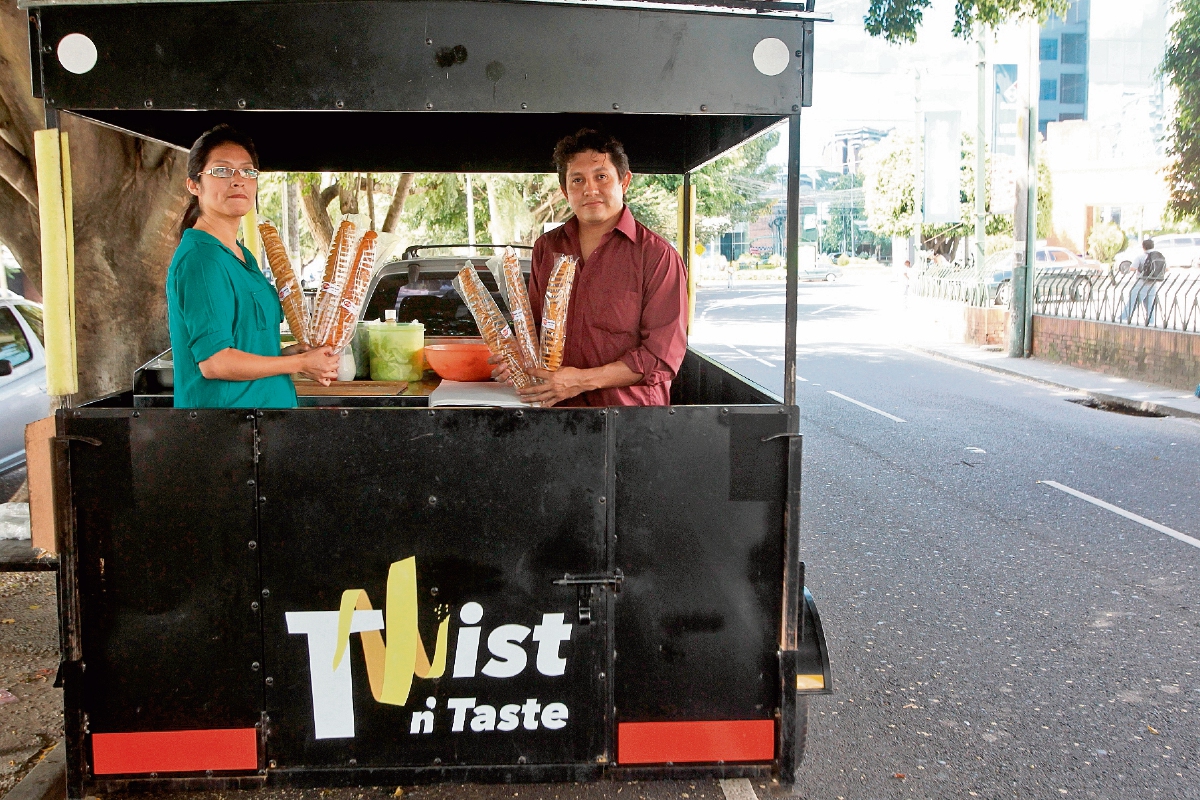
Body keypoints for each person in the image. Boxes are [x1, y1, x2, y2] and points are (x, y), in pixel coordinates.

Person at [491, 129, 687, 406]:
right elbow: (534, 329)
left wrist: (580, 381)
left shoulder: (656, 256)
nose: (590, 189)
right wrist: (518, 357)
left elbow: (662, 357)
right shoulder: (547, 248)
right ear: (564, 190)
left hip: (629, 423)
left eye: (601, 177)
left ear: (625, 181)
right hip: (553, 415)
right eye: (577, 180)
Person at [166, 125, 338, 408]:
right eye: (222, 171)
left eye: (248, 172)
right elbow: (216, 363)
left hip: (262, 425)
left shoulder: (241, 255)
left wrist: (284, 355)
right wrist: (298, 362)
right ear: (194, 185)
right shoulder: (201, 260)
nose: (238, 181)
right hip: (227, 432)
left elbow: (242, 348)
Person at [1121, 238, 1166, 325]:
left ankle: (1123, 319)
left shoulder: (1141, 257)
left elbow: (1133, 268)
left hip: (1142, 282)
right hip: (1153, 283)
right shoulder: (1159, 256)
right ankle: (1151, 323)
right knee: (1150, 306)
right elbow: (1166, 268)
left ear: (1143, 247)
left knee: (1132, 302)